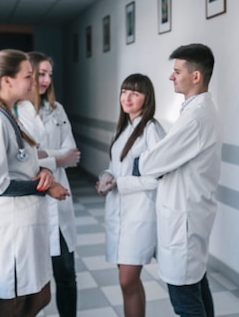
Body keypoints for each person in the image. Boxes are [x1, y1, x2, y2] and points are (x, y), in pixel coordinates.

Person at [0, 49, 69, 317]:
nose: (34, 82)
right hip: (15, 225)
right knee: (14, 301)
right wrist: (44, 186)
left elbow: (21, 164)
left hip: (30, 221)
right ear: (7, 81)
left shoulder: (10, 116)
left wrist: (42, 172)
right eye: (28, 76)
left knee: (40, 296)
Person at [131, 43, 221, 317]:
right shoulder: (195, 111)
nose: (171, 76)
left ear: (196, 76)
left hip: (184, 219)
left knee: (185, 300)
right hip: (188, 214)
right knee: (196, 286)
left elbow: (150, 163)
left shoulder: (195, 117)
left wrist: (141, 161)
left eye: (177, 71)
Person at [95, 73, 166, 317]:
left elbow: (159, 178)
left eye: (135, 93)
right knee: (129, 283)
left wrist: (120, 183)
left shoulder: (151, 130)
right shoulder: (122, 130)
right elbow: (114, 167)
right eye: (125, 91)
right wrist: (106, 177)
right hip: (119, 213)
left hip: (139, 215)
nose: (127, 97)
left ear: (147, 99)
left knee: (127, 280)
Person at [17, 51, 80, 317]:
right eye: (40, 74)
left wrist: (44, 156)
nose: (45, 80)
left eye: (49, 75)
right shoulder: (15, 111)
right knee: (34, 282)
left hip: (59, 201)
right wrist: (56, 158)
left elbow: (73, 153)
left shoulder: (57, 110)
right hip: (31, 203)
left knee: (66, 274)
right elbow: (22, 160)